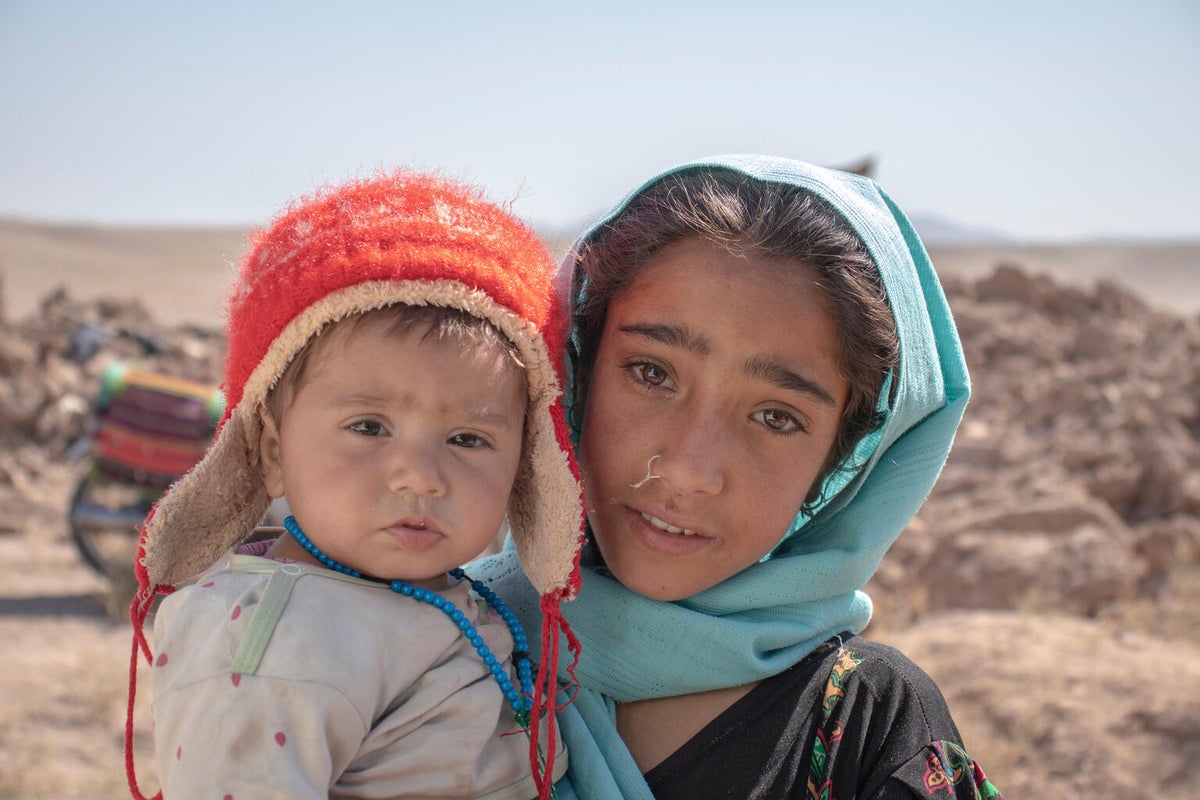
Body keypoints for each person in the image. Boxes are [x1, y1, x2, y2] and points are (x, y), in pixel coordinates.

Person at [472, 155, 1006, 799]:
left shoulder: (870, 726)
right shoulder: (440, 645)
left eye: (776, 417)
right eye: (651, 373)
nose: (688, 471)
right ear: (574, 373)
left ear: (838, 460)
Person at [124, 171, 586, 800]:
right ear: (271, 452)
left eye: (467, 439)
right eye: (369, 428)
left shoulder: (451, 593)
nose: (420, 476)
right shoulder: (272, 644)